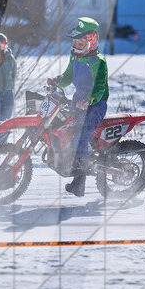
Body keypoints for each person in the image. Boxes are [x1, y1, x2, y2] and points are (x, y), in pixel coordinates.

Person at [49, 17, 108, 197]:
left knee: (80, 135)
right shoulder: (75, 56)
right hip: (77, 102)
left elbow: (99, 88)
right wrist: (58, 80)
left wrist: (88, 101)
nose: (76, 46)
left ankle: (79, 183)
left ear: (91, 42)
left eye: (80, 43)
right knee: (64, 129)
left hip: (95, 105)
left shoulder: (99, 61)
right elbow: (68, 76)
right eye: (75, 42)